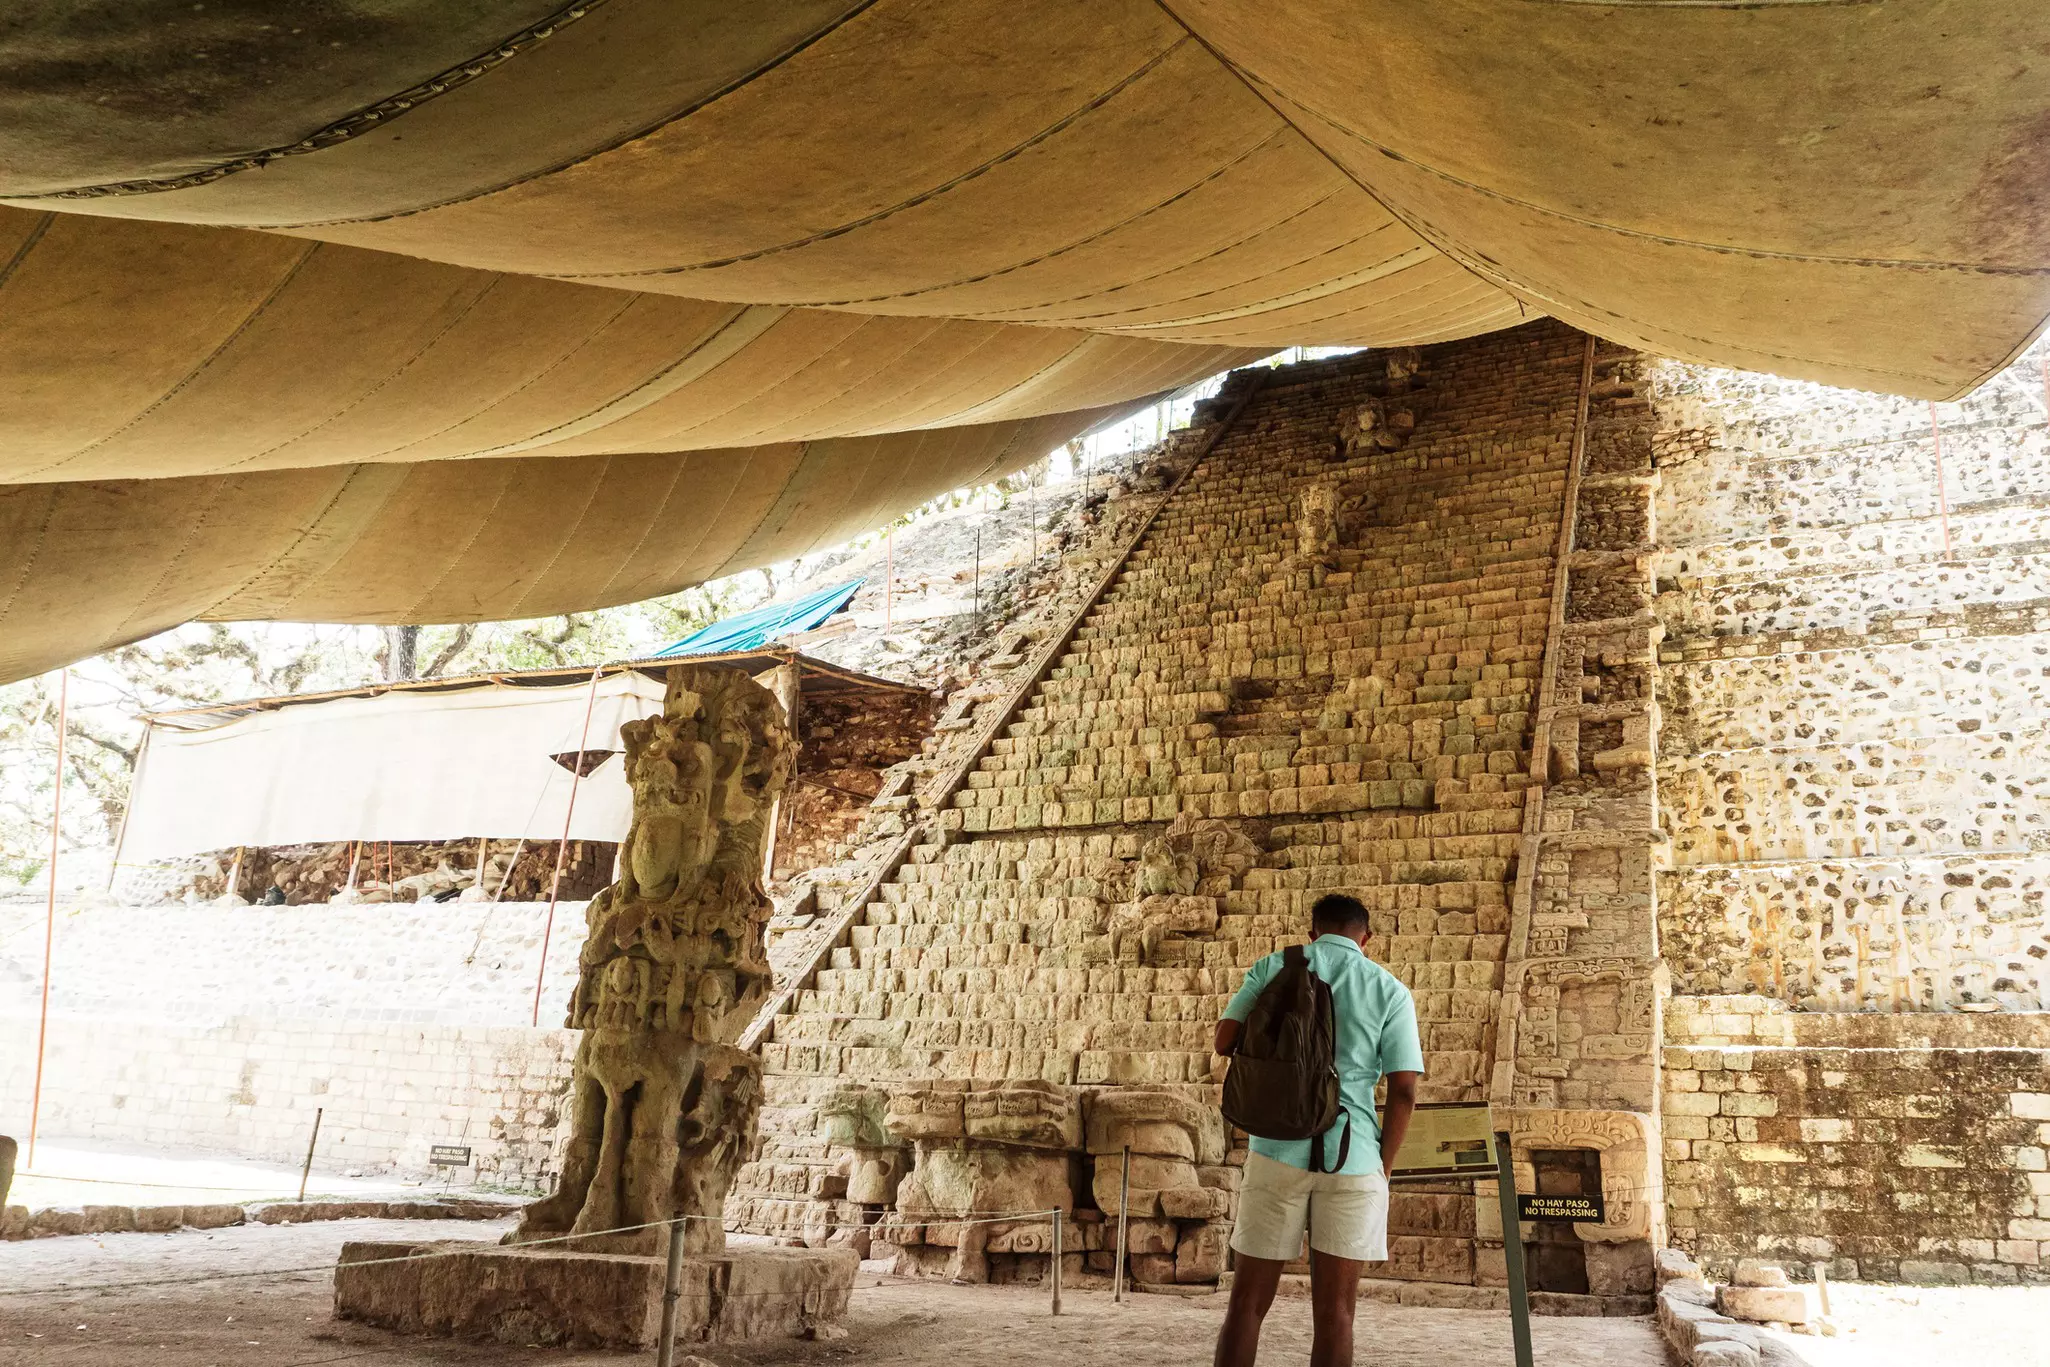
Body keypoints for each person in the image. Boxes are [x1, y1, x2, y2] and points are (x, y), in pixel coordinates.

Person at [1211, 892, 1424, 1367]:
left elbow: (1224, 1041)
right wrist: (1383, 1169)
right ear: (1365, 938)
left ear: (1312, 932)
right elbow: (1405, 1091)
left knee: (1245, 1305)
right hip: (1353, 1157)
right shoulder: (1388, 989)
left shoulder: (1275, 966)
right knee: (1336, 1315)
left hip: (1274, 1151)